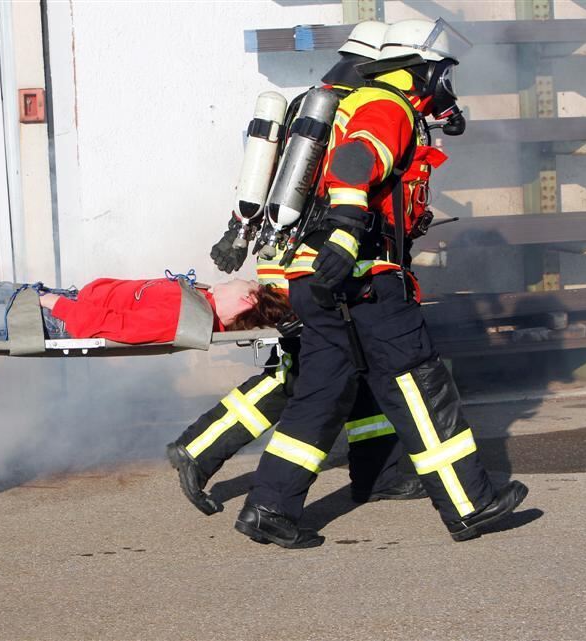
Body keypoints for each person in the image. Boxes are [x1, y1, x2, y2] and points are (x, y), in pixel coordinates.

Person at [235, 18, 528, 549]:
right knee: (419, 383)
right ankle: (470, 505)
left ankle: (268, 508)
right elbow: (354, 162)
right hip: (363, 278)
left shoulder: (351, 104)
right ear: (419, 70)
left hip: (314, 279)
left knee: (320, 395)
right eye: (443, 72)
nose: (448, 85)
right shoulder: (387, 105)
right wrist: (348, 235)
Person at [166, 21, 426, 518]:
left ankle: (380, 472)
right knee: (303, 376)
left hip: (282, 257)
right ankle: (199, 449)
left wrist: (237, 234)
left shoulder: (310, 105)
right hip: (313, 267)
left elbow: (266, 186)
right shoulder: (354, 109)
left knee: (352, 367)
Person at [0, 276, 290, 344]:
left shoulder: (190, 317)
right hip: (57, 296)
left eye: (247, 283)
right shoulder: (200, 298)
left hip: (52, 314)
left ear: (246, 301)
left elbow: (115, 326)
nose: (239, 278)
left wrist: (54, 302)